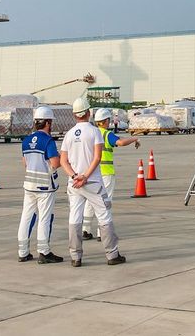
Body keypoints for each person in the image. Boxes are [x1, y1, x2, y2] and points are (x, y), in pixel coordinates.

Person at [61, 96, 124, 267]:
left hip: (73, 184)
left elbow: (63, 161)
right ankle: (112, 254)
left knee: (75, 217)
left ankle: (75, 256)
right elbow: (97, 158)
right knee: (104, 215)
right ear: (88, 113)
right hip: (93, 182)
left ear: (75, 115)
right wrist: (85, 177)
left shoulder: (68, 134)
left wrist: (75, 176)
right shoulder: (95, 132)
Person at [83, 107, 140, 241]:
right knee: (105, 202)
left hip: (91, 172)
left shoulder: (91, 133)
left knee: (90, 201)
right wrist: (134, 138)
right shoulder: (106, 134)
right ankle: (101, 232)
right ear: (105, 121)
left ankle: (85, 230)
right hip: (106, 173)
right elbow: (120, 142)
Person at [17, 107, 63, 264]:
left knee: (26, 216)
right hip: (45, 187)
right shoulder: (48, 141)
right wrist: (61, 157)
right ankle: (44, 251)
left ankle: (23, 252)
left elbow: (25, 162)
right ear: (48, 123)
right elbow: (55, 163)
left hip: (29, 185)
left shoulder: (26, 140)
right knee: (45, 217)